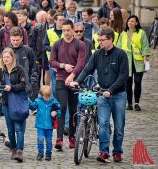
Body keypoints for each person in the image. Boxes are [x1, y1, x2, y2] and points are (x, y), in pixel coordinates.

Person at [70, 27, 129, 163]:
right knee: (103, 125)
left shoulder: (121, 55)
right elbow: (87, 69)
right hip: (102, 94)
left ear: (110, 40)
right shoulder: (97, 54)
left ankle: (117, 151)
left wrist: (111, 90)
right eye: (99, 40)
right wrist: (77, 81)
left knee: (119, 126)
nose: (100, 42)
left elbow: (123, 75)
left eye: (102, 40)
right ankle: (104, 151)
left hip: (118, 95)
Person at [49, 19, 86, 151]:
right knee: (62, 107)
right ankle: (59, 138)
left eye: (68, 30)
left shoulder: (80, 44)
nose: (66, 33)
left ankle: (72, 136)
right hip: (60, 79)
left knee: (73, 110)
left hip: (75, 81)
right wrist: (63, 65)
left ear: (72, 30)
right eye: (63, 30)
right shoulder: (57, 44)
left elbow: (81, 63)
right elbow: (52, 61)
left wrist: (72, 75)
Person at [117, 15, 151, 111]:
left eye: (132, 21)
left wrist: (145, 59)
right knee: (128, 83)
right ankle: (129, 104)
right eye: (129, 21)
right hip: (126, 62)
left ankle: (136, 103)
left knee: (137, 81)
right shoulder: (123, 34)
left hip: (138, 62)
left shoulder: (141, 33)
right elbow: (119, 47)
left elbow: (145, 46)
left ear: (136, 23)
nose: (130, 23)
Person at [29, 85, 61, 161]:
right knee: (40, 139)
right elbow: (32, 107)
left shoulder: (54, 102)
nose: (46, 98)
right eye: (45, 96)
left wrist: (56, 112)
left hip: (49, 126)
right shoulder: (38, 101)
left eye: (48, 96)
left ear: (50, 95)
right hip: (40, 124)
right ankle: (40, 153)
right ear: (41, 95)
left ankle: (48, 153)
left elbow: (59, 112)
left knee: (49, 140)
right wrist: (27, 100)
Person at [9, 26, 38, 100]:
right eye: (13, 40)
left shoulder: (28, 50)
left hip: (27, 88)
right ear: (10, 38)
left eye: (17, 40)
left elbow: (34, 69)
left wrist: (32, 84)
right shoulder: (6, 51)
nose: (15, 42)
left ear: (22, 38)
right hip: (11, 88)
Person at [44, 12, 65, 98]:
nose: (62, 22)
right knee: (54, 82)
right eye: (60, 20)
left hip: (66, 61)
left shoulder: (67, 31)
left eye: (63, 20)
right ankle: (56, 101)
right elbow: (45, 46)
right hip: (53, 61)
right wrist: (54, 49)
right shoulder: (49, 32)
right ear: (55, 21)